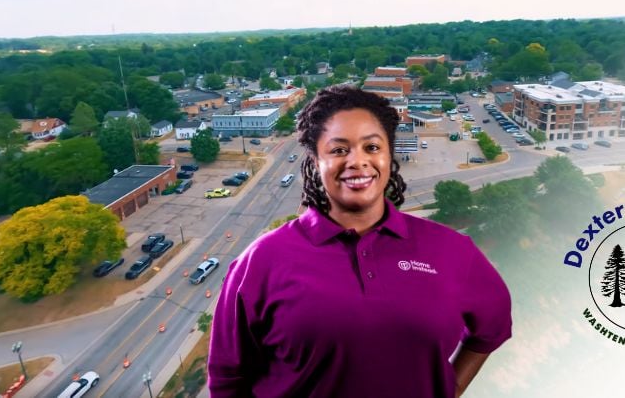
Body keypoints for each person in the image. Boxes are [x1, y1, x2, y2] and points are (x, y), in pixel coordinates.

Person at [208, 86, 511, 397]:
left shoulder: (450, 250)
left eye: (372, 147)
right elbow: (228, 379)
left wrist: (448, 388)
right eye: (339, 150)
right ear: (315, 161)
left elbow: (492, 327)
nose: (357, 161)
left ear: (389, 154)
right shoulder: (260, 261)